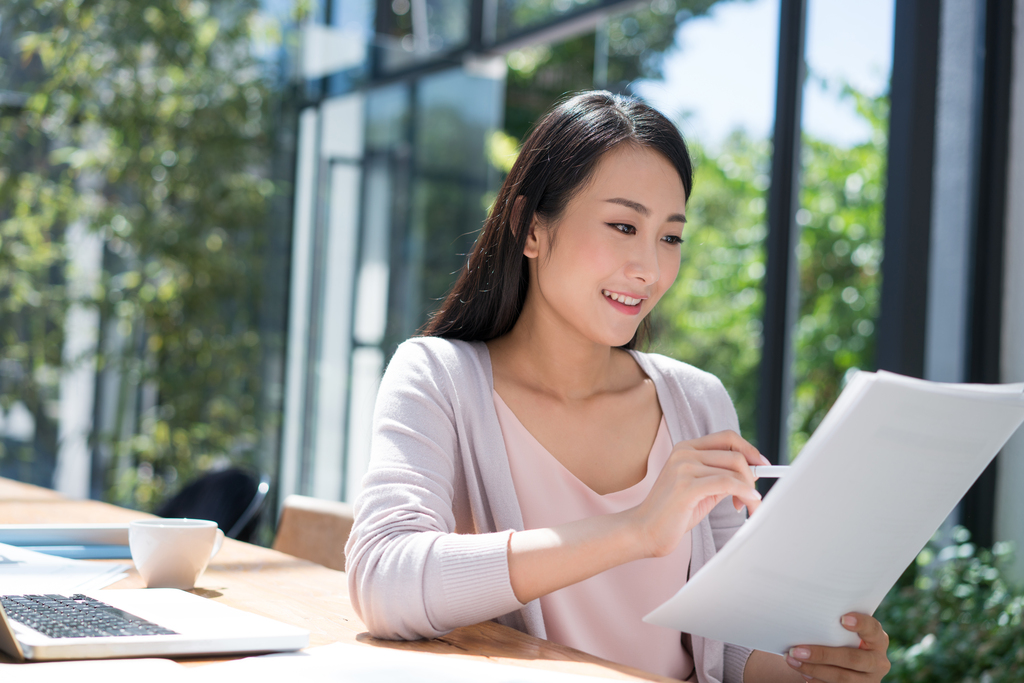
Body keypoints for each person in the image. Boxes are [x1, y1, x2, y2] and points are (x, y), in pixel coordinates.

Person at [345, 91, 890, 683]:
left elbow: (723, 646)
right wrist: (634, 530)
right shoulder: (438, 377)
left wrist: (812, 670)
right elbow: (383, 581)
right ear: (529, 226)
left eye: (670, 237)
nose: (650, 269)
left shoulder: (697, 400)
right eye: (623, 226)